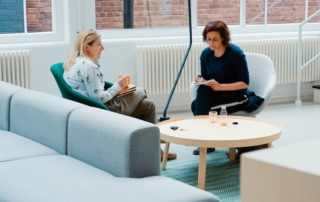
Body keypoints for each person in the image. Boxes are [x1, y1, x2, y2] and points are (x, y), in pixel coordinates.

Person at [63, 29, 177, 161]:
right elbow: (98, 98)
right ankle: (157, 134)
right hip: (103, 110)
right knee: (141, 91)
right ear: (87, 47)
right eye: (99, 44)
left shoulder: (76, 62)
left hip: (92, 108)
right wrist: (118, 86)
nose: (103, 48)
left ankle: (156, 150)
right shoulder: (89, 67)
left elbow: (94, 89)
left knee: (148, 105)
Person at [191, 21, 263, 155]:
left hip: (236, 95)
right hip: (216, 93)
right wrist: (201, 80)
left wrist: (220, 87)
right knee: (198, 99)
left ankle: (204, 140)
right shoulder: (206, 54)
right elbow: (206, 78)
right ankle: (207, 141)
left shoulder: (235, 53)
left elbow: (244, 83)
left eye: (215, 39)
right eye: (208, 39)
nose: (211, 43)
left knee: (197, 106)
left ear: (223, 37)